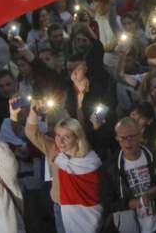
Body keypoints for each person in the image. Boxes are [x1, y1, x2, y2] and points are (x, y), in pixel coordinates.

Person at [24, 100, 102, 233]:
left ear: (77, 137)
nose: (60, 141)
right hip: (61, 208)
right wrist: (33, 112)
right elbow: (32, 133)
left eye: (66, 137)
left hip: (89, 210)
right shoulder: (54, 149)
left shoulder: (89, 157)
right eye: (58, 135)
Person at [100, 117, 156, 233]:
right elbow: (108, 204)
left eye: (131, 136)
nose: (127, 142)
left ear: (139, 135)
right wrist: (138, 202)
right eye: (123, 138)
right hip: (129, 227)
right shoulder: (109, 168)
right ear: (117, 138)